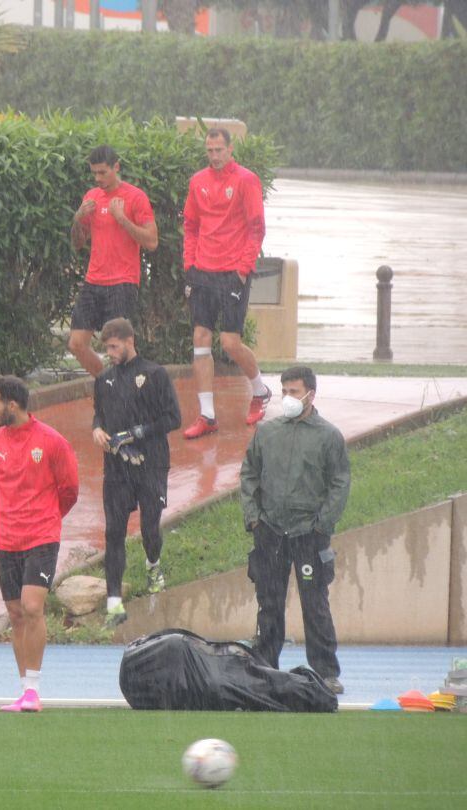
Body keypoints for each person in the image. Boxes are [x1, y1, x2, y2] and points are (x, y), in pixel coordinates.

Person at [240, 366, 350, 695]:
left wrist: (322, 526)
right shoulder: (267, 432)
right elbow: (249, 475)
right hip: (270, 531)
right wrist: (254, 519)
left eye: (294, 391)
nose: (287, 397)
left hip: (308, 533)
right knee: (269, 603)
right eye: (284, 390)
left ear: (310, 395)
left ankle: (325, 672)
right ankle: (264, 668)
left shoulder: (328, 436)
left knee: (315, 604)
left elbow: (339, 484)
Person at [0, 376, 78, 712]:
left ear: (12, 405)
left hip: (42, 536)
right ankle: (23, 690)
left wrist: (47, 516)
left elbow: (70, 489)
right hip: (7, 537)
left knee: (33, 607)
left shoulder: (52, 442)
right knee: (15, 613)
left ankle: (34, 691)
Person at [181, 127, 272, 439]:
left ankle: (259, 391)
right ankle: (207, 415)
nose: (214, 156)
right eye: (210, 151)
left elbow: (256, 228)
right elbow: (191, 225)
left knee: (230, 343)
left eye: (219, 150)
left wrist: (243, 268)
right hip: (202, 271)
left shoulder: (246, 179)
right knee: (200, 337)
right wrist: (189, 264)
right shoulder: (197, 181)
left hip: (233, 271)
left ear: (231, 150)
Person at [91, 318, 181, 627]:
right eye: (107, 348)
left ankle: (153, 564)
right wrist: (97, 431)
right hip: (116, 467)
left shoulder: (155, 375)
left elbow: (173, 418)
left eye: (114, 347)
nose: (110, 353)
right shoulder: (104, 380)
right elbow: (99, 417)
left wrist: (135, 433)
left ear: (129, 341)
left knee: (149, 527)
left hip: (152, 464)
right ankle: (114, 601)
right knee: (114, 531)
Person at [69, 144, 159, 377]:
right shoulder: (92, 196)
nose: (98, 178)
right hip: (94, 281)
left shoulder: (135, 197)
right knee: (76, 343)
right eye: (94, 173)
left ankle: (131, 394)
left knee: (120, 347)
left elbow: (151, 241)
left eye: (103, 172)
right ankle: (106, 386)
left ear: (116, 167)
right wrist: (78, 219)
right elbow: (78, 244)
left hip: (122, 282)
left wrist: (123, 220)